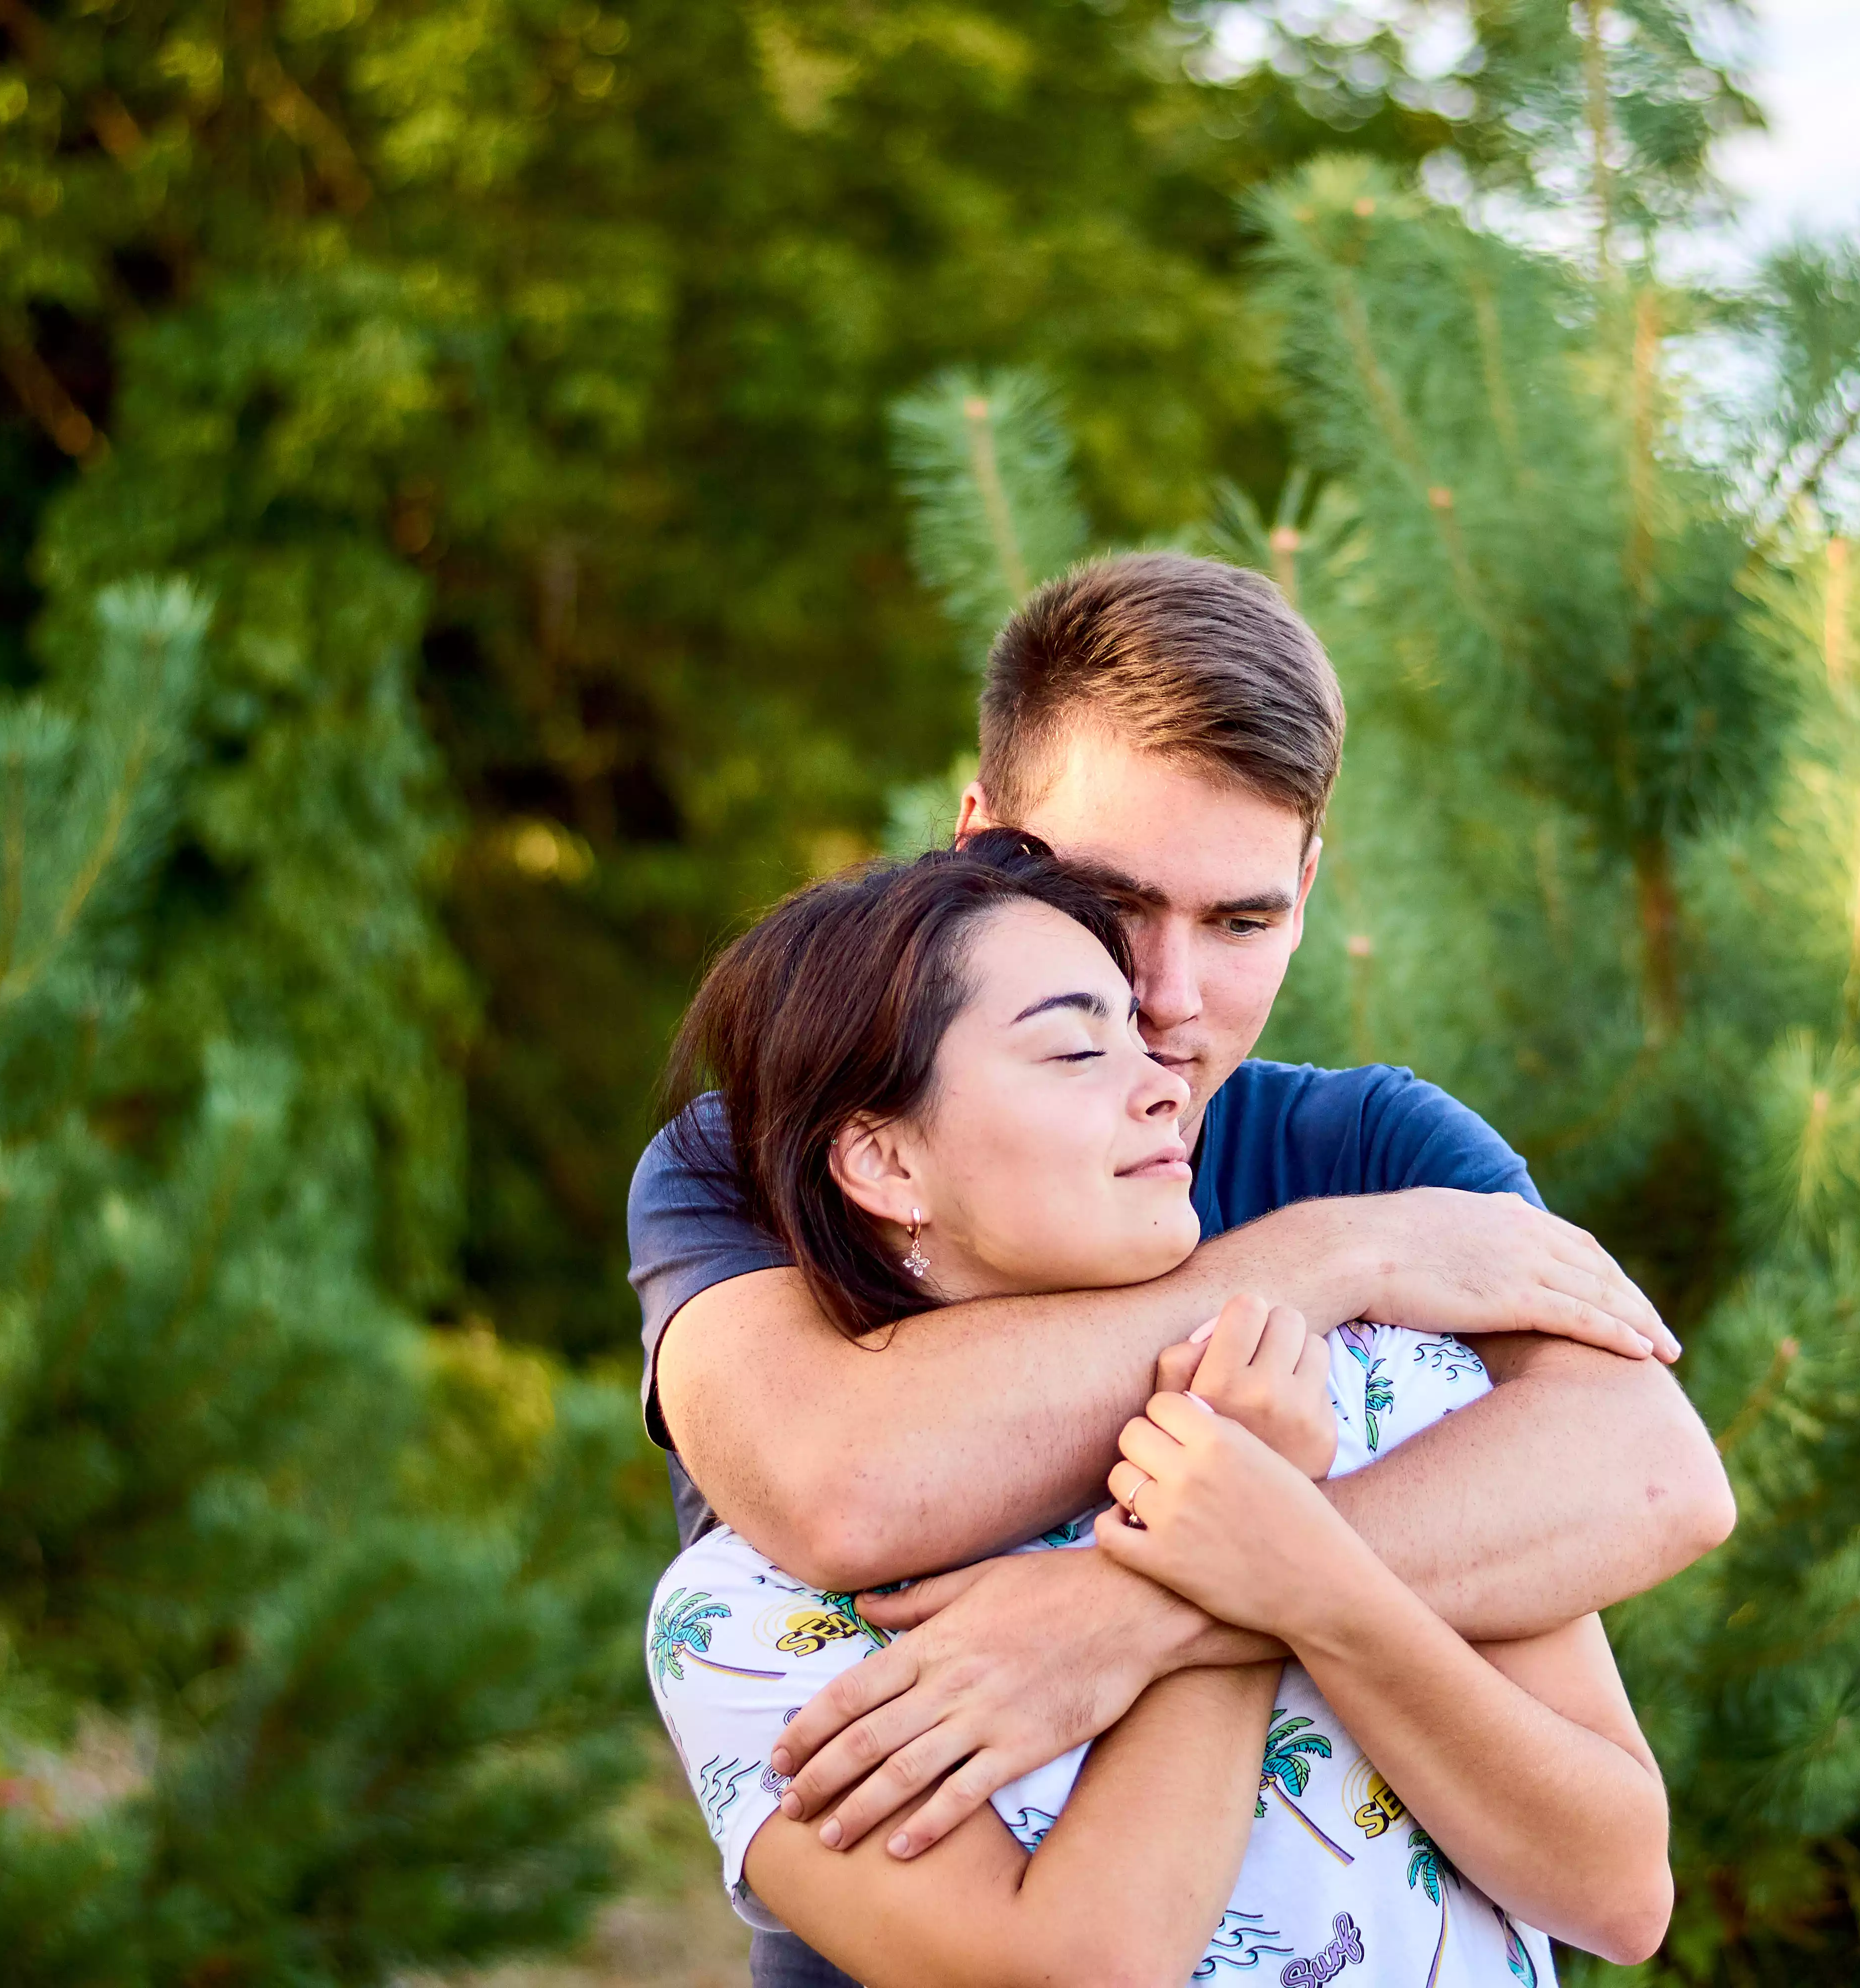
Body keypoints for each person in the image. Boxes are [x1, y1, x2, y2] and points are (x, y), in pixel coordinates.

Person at [629, 552, 1735, 1986]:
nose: (1167, 1000)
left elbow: (1654, 1473)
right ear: (981, 840)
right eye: (1110, 904)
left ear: (1309, 886)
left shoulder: (1377, 1144)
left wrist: (1152, 1605)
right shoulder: (768, 1152)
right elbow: (843, 1486)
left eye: (1243, 921)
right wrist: (1342, 1251)